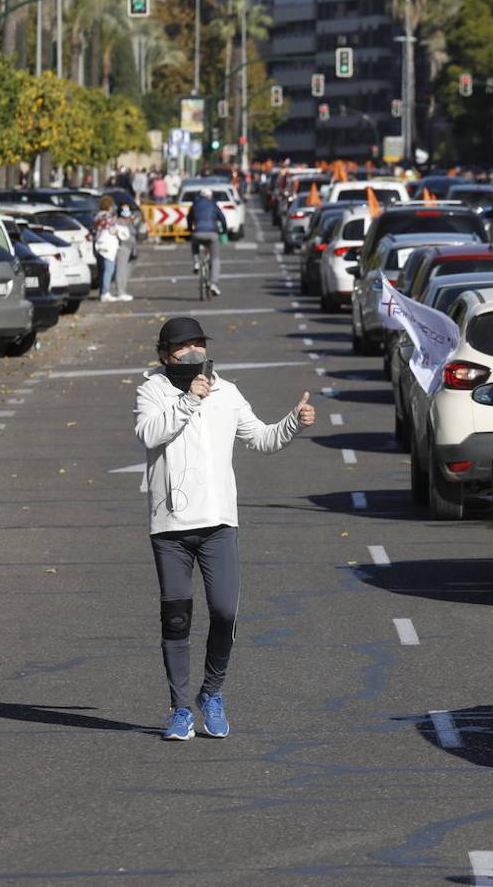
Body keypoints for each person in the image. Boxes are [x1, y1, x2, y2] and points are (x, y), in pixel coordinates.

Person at [134, 317, 317, 740]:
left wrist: (294, 421)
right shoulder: (152, 391)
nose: (194, 352)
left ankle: (212, 693)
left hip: (218, 524)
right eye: (184, 347)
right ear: (165, 355)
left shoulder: (227, 392)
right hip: (171, 526)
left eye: (199, 343)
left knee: (225, 611)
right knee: (177, 619)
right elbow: (149, 434)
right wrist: (189, 400)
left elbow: (262, 438)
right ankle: (180, 709)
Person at [187, 187, 227, 297]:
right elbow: (222, 218)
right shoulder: (213, 204)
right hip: (212, 233)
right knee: (215, 258)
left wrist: (190, 229)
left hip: (198, 232)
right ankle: (213, 283)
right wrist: (224, 230)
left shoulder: (195, 204)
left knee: (194, 242)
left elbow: (189, 218)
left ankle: (196, 262)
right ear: (210, 195)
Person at [94, 197, 131, 303]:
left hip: (99, 245)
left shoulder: (98, 216)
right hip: (107, 246)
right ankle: (105, 293)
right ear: (109, 206)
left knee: (102, 270)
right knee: (108, 270)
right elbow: (113, 229)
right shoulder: (109, 216)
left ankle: (102, 292)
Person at [114, 204, 138, 300]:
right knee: (121, 269)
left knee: (126, 269)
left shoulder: (128, 222)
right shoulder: (119, 222)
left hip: (130, 248)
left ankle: (123, 290)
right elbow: (123, 235)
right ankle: (120, 291)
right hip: (123, 247)